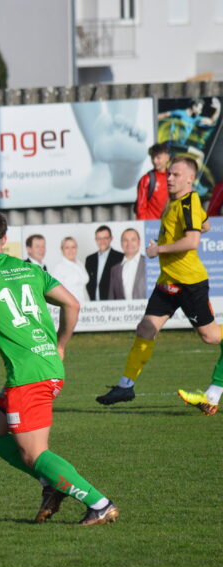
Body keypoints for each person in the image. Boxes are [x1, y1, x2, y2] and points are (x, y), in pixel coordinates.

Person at [0, 208, 119, 525]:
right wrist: (60, 344)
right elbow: (72, 303)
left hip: (28, 377)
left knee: (33, 453)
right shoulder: (28, 269)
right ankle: (50, 484)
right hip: (48, 365)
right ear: (4, 239)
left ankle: (100, 503)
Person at [98, 157, 220, 405]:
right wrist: (198, 221)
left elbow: (193, 241)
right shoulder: (178, 203)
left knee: (211, 337)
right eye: (169, 175)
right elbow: (205, 225)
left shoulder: (188, 201)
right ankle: (125, 387)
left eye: (176, 174)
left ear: (190, 179)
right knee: (146, 328)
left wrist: (159, 250)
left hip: (188, 283)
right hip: (168, 282)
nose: (170, 178)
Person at [84, 225, 123, 301]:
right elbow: (88, 283)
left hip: (115, 305)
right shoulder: (90, 259)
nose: (102, 241)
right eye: (99, 238)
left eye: (105, 238)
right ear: (96, 239)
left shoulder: (120, 257)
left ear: (111, 239)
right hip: (93, 305)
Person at [107, 227, 146, 300]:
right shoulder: (115, 270)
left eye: (133, 240)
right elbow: (111, 298)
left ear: (139, 243)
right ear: (121, 243)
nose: (129, 244)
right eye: (125, 240)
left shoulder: (149, 264)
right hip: (123, 311)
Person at [134, 143, 170, 220]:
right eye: (152, 158)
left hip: (170, 224)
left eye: (158, 157)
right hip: (151, 226)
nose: (155, 161)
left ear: (167, 157)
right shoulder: (146, 179)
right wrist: (144, 225)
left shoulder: (173, 177)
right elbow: (140, 207)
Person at [49, 237, 89, 303]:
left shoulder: (80, 264)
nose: (70, 250)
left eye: (73, 247)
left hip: (87, 306)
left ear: (76, 249)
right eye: (67, 248)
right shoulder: (59, 268)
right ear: (62, 250)